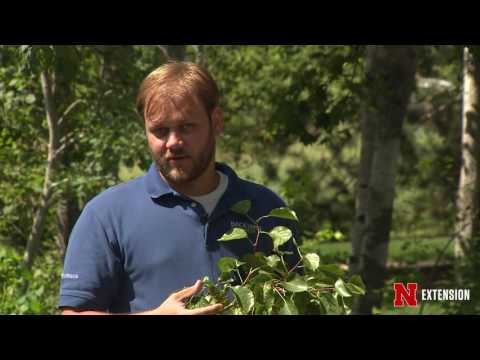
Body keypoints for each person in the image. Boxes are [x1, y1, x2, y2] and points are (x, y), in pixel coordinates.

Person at [59, 62, 301, 315]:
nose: (173, 142)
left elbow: (294, 301)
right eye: (160, 131)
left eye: (186, 127)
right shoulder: (106, 215)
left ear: (216, 121)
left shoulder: (267, 209)